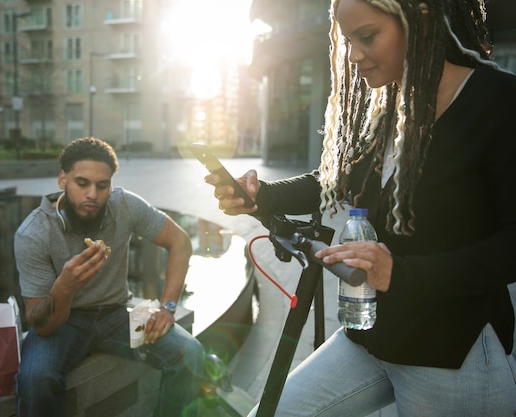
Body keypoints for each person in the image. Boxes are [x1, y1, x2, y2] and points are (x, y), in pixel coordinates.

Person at [205, 0, 516, 416]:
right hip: (372, 334)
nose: (352, 55)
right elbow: (336, 181)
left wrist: (400, 273)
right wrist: (263, 196)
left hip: (452, 353)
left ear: (419, 19)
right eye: (347, 41)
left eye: (367, 37)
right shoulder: (393, 106)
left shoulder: (499, 103)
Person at [14, 137, 204, 417]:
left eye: (102, 185)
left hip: (118, 313)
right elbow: (40, 324)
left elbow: (180, 242)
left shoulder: (124, 206)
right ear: (62, 179)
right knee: (36, 380)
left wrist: (168, 307)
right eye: (82, 183)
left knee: (191, 355)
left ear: (110, 186)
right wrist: (65, 287)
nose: (93, 194)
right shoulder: (33, 233)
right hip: (63, 322)